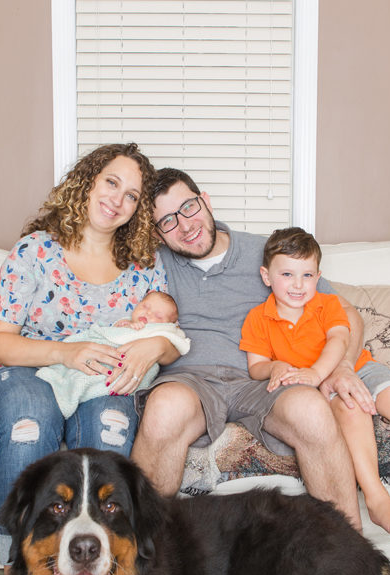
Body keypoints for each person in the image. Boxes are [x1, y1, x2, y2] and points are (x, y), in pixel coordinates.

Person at [132, 167, 372, 530]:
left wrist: (343, 366)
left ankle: (351, 553)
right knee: (164, 408)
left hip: (263, 380)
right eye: (167, 221)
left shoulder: (266, 254)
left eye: (188, 208)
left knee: (311, 409)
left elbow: (347, 313)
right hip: (190, 382)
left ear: (205, 201)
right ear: (156, 232)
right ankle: (138, 551)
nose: (185, 225)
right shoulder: (154, 265)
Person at [0, 143, 176, 566]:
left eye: (131, 195)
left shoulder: (144, 265)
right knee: (32, 419)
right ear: (88, 182)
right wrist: (66, 354)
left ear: (137, 210)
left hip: (99, 381)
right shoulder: (34, 251)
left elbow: (170, 334)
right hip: (24, 371)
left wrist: (156, 345)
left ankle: (95, 557)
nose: (117, 200)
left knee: (109, 428)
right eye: (111, 182)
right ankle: (17, 560)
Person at [240, 228, 390, 537]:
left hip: (357, 368)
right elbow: (255, 367)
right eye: (287, 274)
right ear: (266, 276)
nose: (298, 285)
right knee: (351, 409)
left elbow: (339, 341)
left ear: (318, 277)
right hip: (318, 388)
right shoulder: (258, 318)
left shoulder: (327, 304)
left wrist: (318, 372)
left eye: (307, 275)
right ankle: (377, 497)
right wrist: (274, 366)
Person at [35, 291, 190, 418]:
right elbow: (110, 334)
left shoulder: (164, 331)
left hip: (125, 370)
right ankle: (66, 383)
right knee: (79, 370)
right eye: (145, 306)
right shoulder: (127, 322)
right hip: (99, 354)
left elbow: (179, 344)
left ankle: (76, 390)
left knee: (89, 381)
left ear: (168, 324)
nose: (148, 313)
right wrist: (124, 325)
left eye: (158, 316)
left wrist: (157, 340)